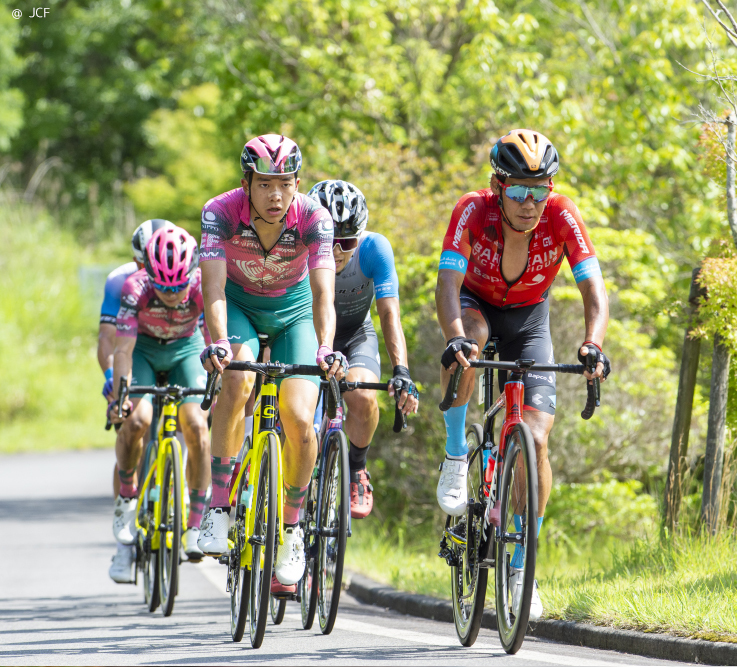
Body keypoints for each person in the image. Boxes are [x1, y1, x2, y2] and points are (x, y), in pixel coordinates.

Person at [435, 129, 611, 620]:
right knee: (469, 342)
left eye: (540, 189)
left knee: (535, 440)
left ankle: (520, 565)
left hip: (531, 318)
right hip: (476, 307)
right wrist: (453, 336)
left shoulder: (562, 214)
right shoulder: (473, 209)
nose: (530, 202)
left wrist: (593, 344)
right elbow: (447, 282)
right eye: (518, 190)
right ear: (497, 185)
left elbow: (593, 291)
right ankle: (454, 455)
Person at [196, 134, 344, 596]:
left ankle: (293, 528)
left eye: (284, 183)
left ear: (298, 182)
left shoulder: (315, 219)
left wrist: (325, 347)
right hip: (237, 307)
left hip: (294, 313)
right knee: (238, 381)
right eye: (264, 184)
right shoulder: (219, 213)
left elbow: (323, 293)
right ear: (247, 183)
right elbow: (214, 291)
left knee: (300, 417)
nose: (276, 195)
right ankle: (219, 506)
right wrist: (219, 343)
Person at [307, 180, 420, 518]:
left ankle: (356, 468)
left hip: (356, 334)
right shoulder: (297, 251)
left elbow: (389, 312)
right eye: (328, 241)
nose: (337, 251)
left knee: (363, 397)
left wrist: (402, 370)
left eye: (347, 241)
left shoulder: (375, 249)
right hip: (308, 336)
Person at [107, 227, 212, 565]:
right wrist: (121, 394)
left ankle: (196, 522)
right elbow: (122, 349)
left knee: (196, 425)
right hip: (145, 352)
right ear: (148, 273)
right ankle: (126, 498)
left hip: (186, 350)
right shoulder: (133, 287)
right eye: (163, 286)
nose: (171, 294)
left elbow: (213, 341)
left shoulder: (200, 285)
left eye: (178, 286)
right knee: (137, 419)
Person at [103, 219, 173, 583]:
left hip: (176, 349)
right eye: (145, 267)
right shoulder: (121, 282)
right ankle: (124, 543)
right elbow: (108, 341)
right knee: (131, 427)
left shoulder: (184, 273)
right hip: (134, 354)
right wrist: (113, 384)